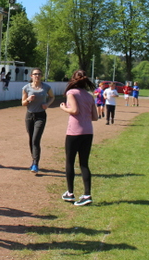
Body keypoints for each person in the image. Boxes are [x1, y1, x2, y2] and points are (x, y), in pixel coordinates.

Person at [59, 70, 98, 207]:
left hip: (74, 131)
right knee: (84, 164)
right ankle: (87, 194)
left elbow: (74, 110)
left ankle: (70, 193)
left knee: (70, 162)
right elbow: (95, 117)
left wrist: (64, 108)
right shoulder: (89, 96)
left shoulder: (71, 93)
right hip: (88, 132)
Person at [22, 68, 55, 174]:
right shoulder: (26, 88)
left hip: (41, 115)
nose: (37, 76)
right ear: (31, 76)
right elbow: (23, 103)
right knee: (31, 139)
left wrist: (47, 104)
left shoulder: (46, 87)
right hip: (29, 115)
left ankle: (35, 164)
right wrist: (28, 100)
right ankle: (33, 160)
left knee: (36, 139)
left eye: (39, 74)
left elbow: (52, 97)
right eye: (35, 74)